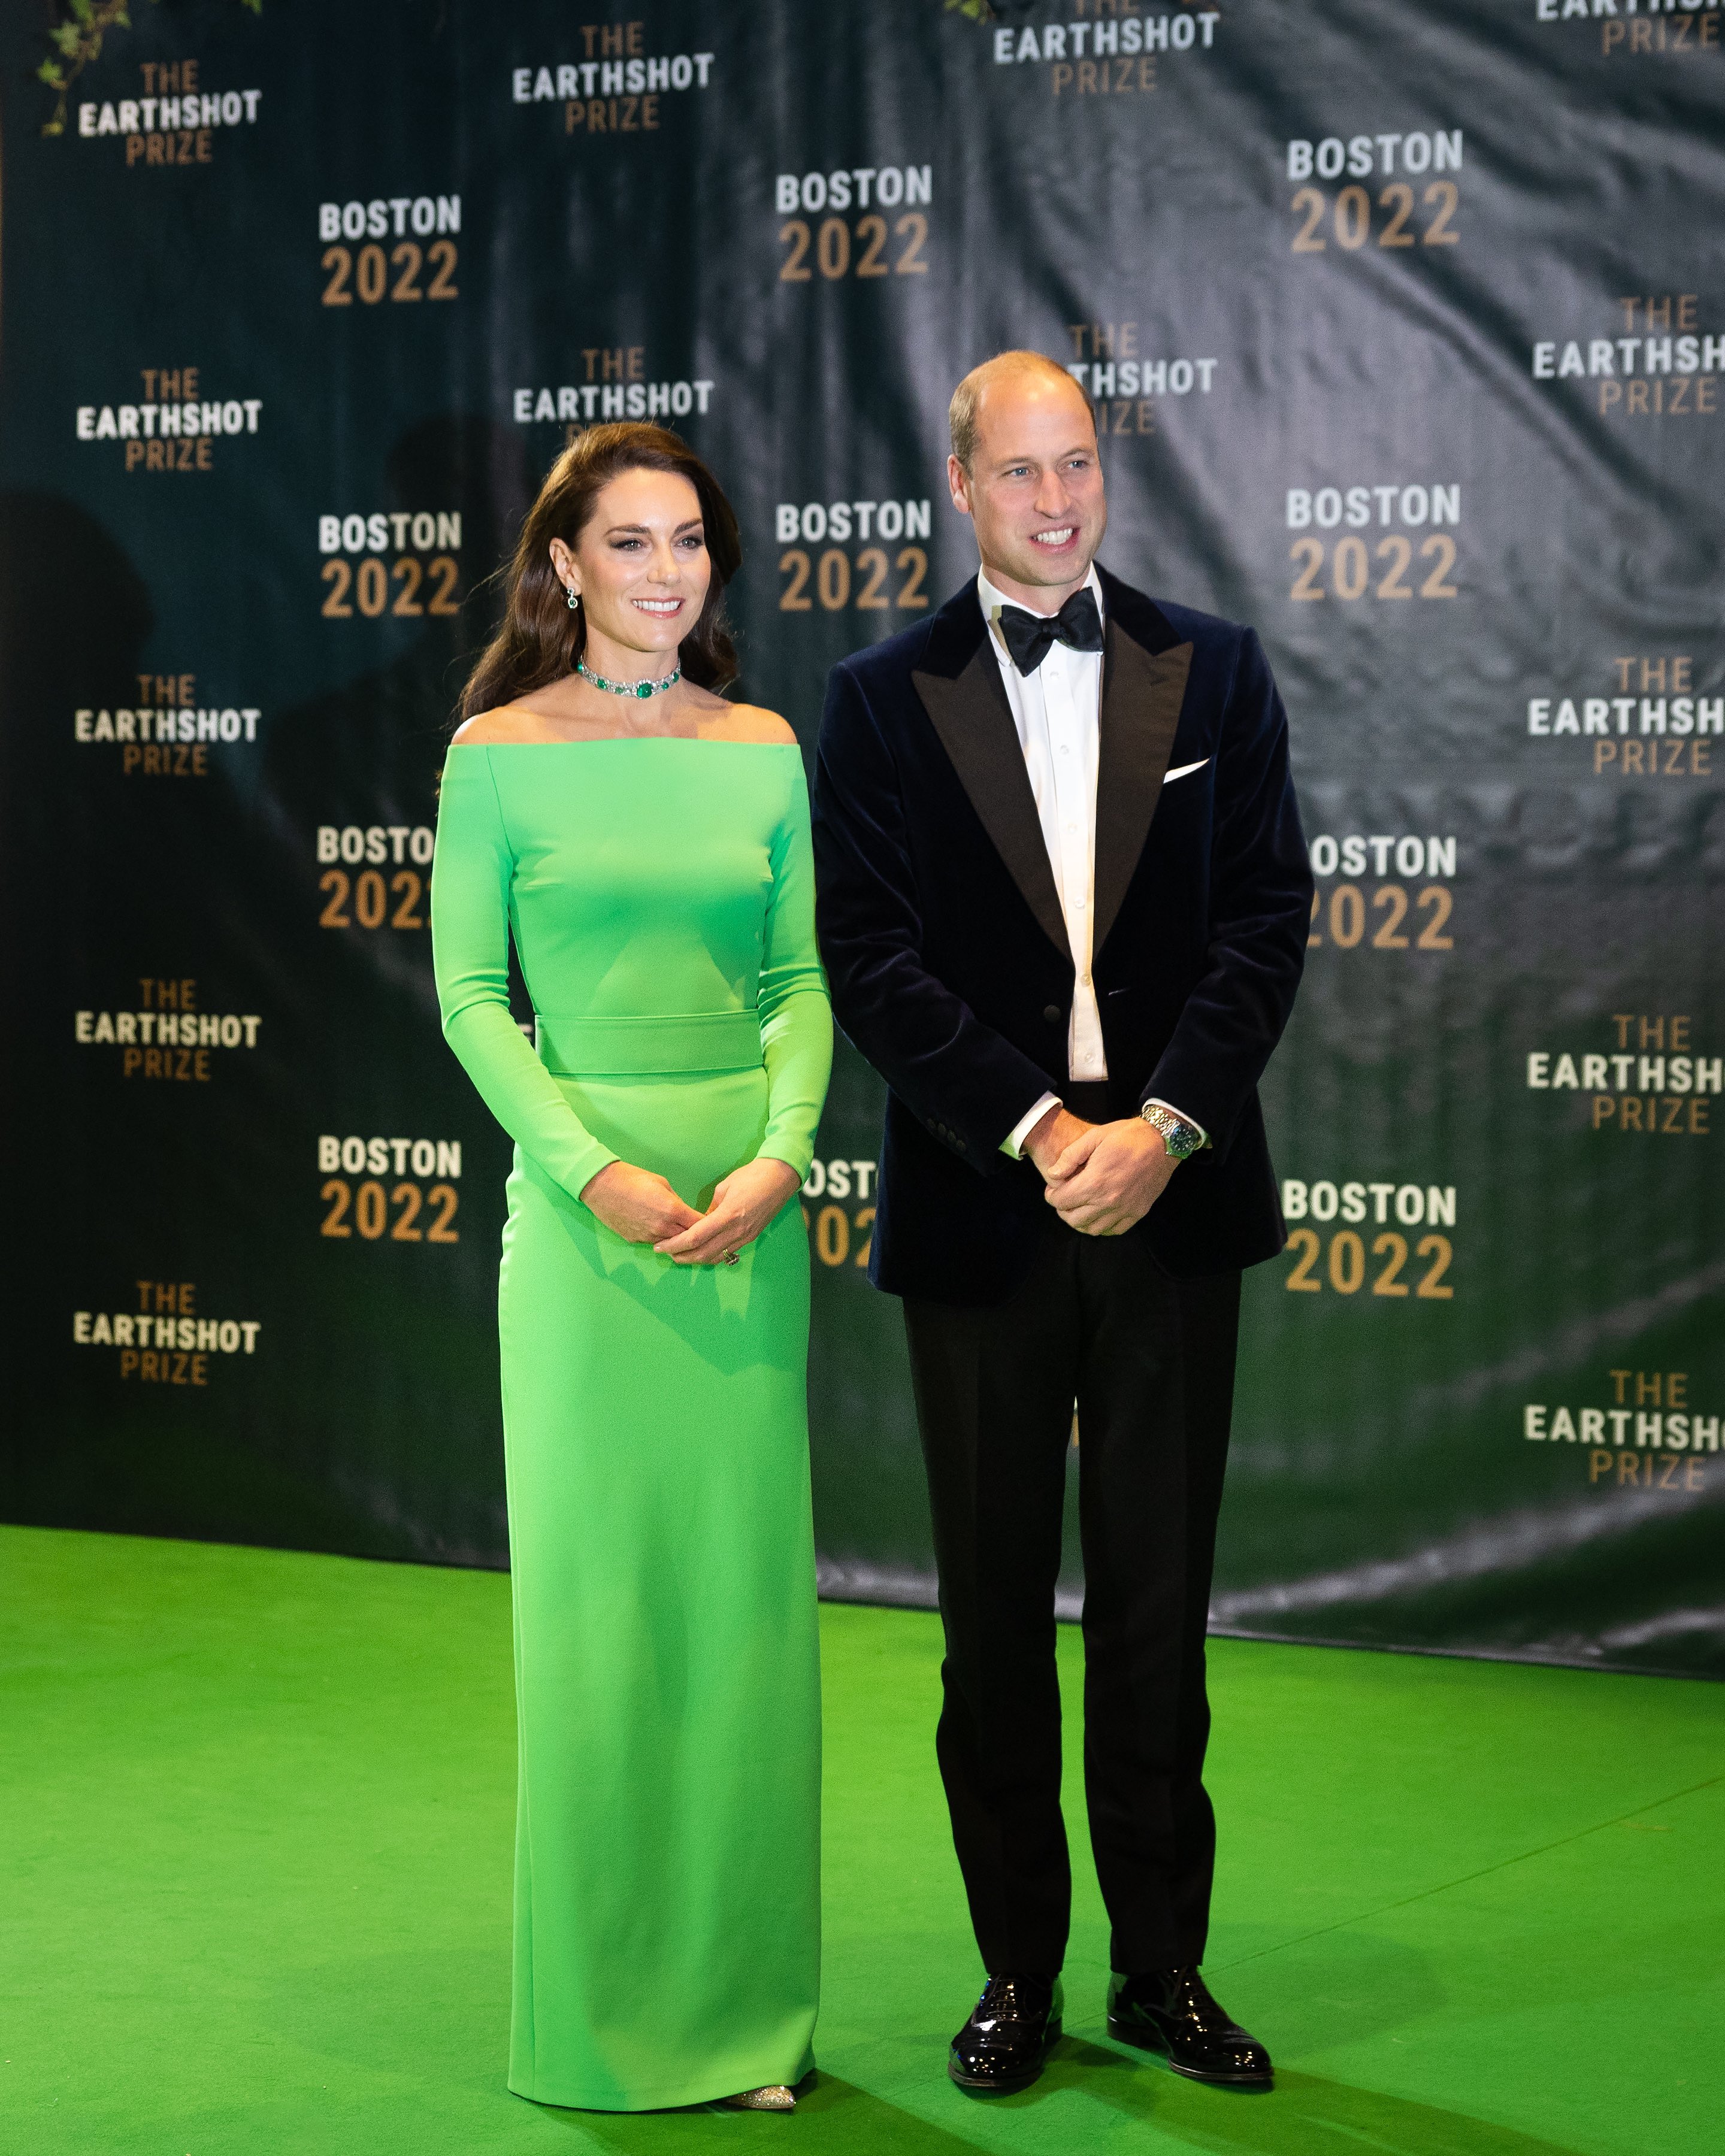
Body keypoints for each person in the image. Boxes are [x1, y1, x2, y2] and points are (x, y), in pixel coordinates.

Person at [811, 353, 1309, 2096]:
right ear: (962, 485)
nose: (1056, 499)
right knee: (994, 1620)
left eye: (1078, 462)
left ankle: (1161, 1968)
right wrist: (1039, 1129)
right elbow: (869, 958)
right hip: (986, 1207)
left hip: (1171, 1203)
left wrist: (1163, 1128)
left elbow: (1267, 922)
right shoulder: (879, 699)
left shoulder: (1216, 667)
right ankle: (1016, 1970)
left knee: (1162, 1613)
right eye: (1019, 471)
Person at [430, 423, 832, 2113]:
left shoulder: (766, 746)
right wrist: (590, 1169)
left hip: (749, 1221)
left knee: (742, 1621)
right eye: (630, 543)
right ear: (564, 564)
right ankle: (602, 2018)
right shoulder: (495, 756)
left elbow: (798, 981)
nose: (667, 573)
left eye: (689, 542)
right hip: (584, 1234)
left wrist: (782, 1154)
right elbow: (471, 999)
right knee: (600, 1622)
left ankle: (744, 2020)